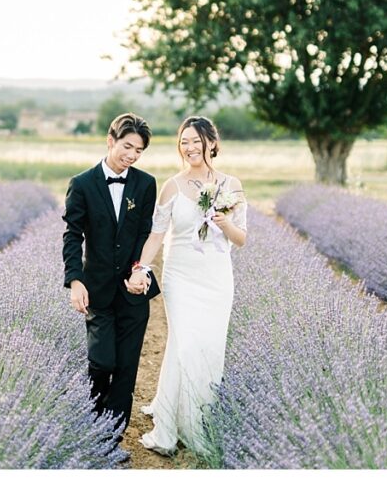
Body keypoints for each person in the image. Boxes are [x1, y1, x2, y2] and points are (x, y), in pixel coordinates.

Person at [133, 115, 248, 457]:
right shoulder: (172, 186)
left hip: (216, 277)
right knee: (185, 344)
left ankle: (199, 420)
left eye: (196, 141)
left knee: (209, 347)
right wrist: (141, 266)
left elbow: (240, 239)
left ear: (212, 143)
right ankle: (171, 427)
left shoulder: (232, 185)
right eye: (184, 141)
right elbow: (157, 234)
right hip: (179, 276)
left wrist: (225, 223)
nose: (189, 148)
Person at [61, 112, 160, 453]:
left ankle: (111, 442)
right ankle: (92, 424)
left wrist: (140, 269)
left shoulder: (145, 184)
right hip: (97, 290)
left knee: (127, 369)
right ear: (110, 140)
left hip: (134, 290)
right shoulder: (83, 184)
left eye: (139, 151)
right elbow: (72, 235)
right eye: (127, 146)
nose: (132, 155)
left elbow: (146, 232)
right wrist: (75, 281)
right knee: (103, 362)